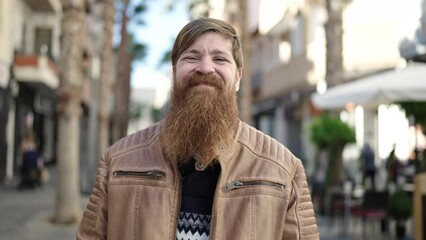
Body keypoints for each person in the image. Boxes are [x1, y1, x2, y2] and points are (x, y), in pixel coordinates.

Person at [77, 17, 318, 240]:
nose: (205, 68)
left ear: (238, 77)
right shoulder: (118, 162)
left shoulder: (284, 169)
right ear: (174, 73)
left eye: (220, 59)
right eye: (191, 57)